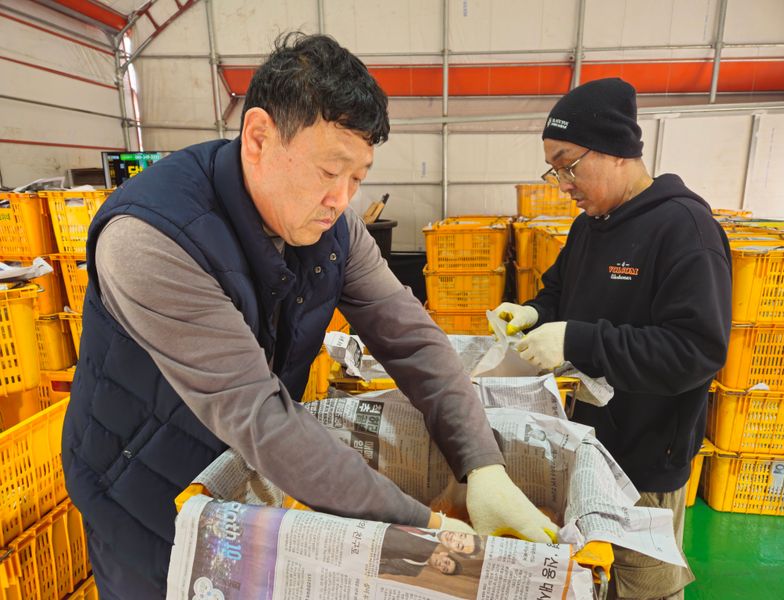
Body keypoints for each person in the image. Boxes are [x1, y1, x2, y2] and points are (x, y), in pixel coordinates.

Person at [61, 32, 555, 598]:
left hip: (239, 465)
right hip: (141, 481)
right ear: (259, 138)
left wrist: (481, 464)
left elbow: (413, 340)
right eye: (329, 171)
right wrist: (427, 528)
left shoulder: (334, 227)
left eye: (358, 178)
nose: (342, 198)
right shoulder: (149, 240)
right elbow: (260, 416)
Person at [494, 77, 732, 599]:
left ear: (617, 152)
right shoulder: (590, 226)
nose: (562, 184)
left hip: (644, 466)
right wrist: (532, 312)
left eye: (568, 166)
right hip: (586, 451)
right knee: (593, 581)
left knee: (645, 589)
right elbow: (558, 292)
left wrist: (578, 342)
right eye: (553, 170)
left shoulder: (685, 231)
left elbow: (696, 351)